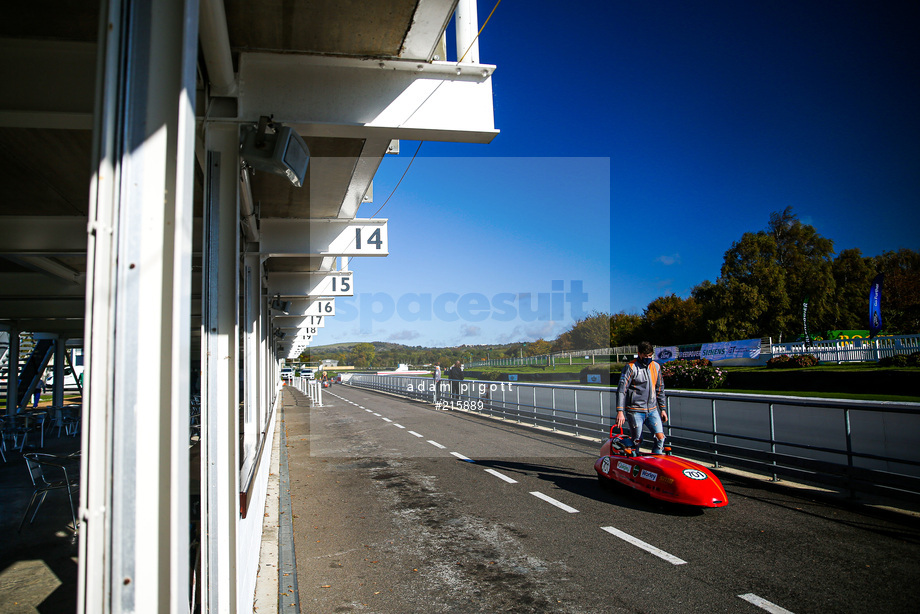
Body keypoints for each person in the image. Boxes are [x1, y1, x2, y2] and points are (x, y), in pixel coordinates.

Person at [615, 341, 668, 454]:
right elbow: (621, 390)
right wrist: (620, 411)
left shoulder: (656, 367)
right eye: (645, 356)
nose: (648, 358)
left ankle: (656, 463)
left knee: (660, 438)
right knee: (637, 441)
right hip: (635, 410)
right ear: (639, 354)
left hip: (652, 410)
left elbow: (660, 389)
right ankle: (632, 461)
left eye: (650, 356)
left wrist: (663, 409)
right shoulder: (631, 367)